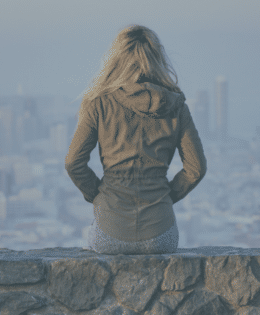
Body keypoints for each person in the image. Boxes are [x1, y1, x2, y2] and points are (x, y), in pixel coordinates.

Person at [65, 25, 207, 254]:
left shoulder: (98, 104)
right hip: (161, 234)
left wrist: (99, 196)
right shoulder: (176, 106)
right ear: (157, 58)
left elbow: (73, 162)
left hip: (110, 231)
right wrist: (166, 197)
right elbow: (196, 169)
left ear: (115, 59)